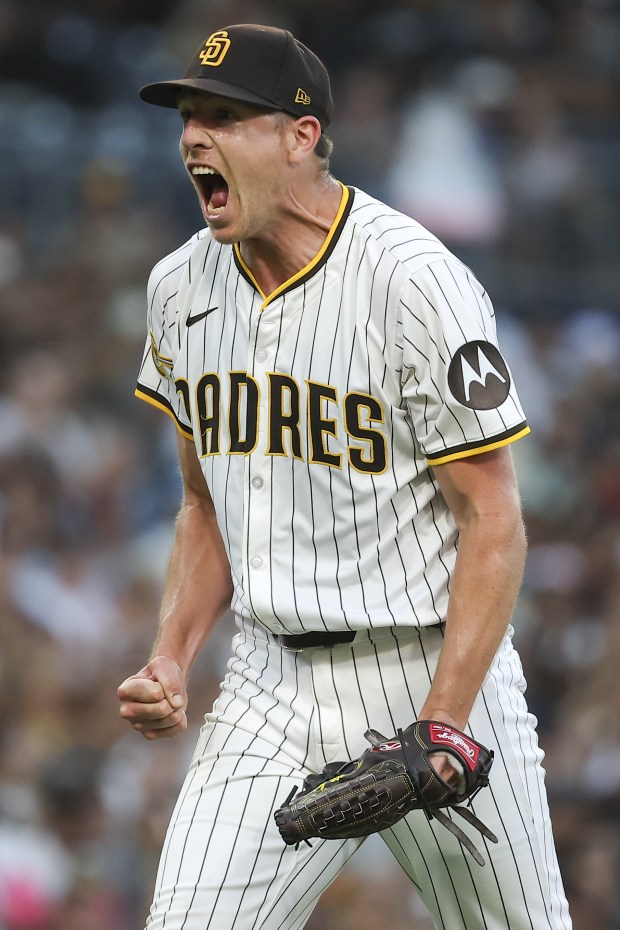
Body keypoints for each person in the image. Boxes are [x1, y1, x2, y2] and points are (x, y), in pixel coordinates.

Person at [117, 23, 573, 930]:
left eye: (225, 116)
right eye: (189, 118)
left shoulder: (413, 279)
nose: (194, 138)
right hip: (267, 680)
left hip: (430, 668)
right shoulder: (178, 289)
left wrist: (444, 719)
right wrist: (172, 655)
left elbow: (494, 518)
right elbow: (204, 505)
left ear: (301, 135)